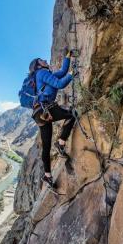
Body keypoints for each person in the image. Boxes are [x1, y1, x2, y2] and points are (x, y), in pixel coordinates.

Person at [30, 49, 76, 188]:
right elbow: (60, 84)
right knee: (72, 114)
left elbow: (62, 72)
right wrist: (72, 75)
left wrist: (67, 58)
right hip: (47, 109)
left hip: (40, 114)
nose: (45, 60)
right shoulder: (42, 73)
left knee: (46, 146)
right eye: (41, 60)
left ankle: (47, 176)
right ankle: (61, 142)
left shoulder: (45, 75)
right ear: (39, 65)